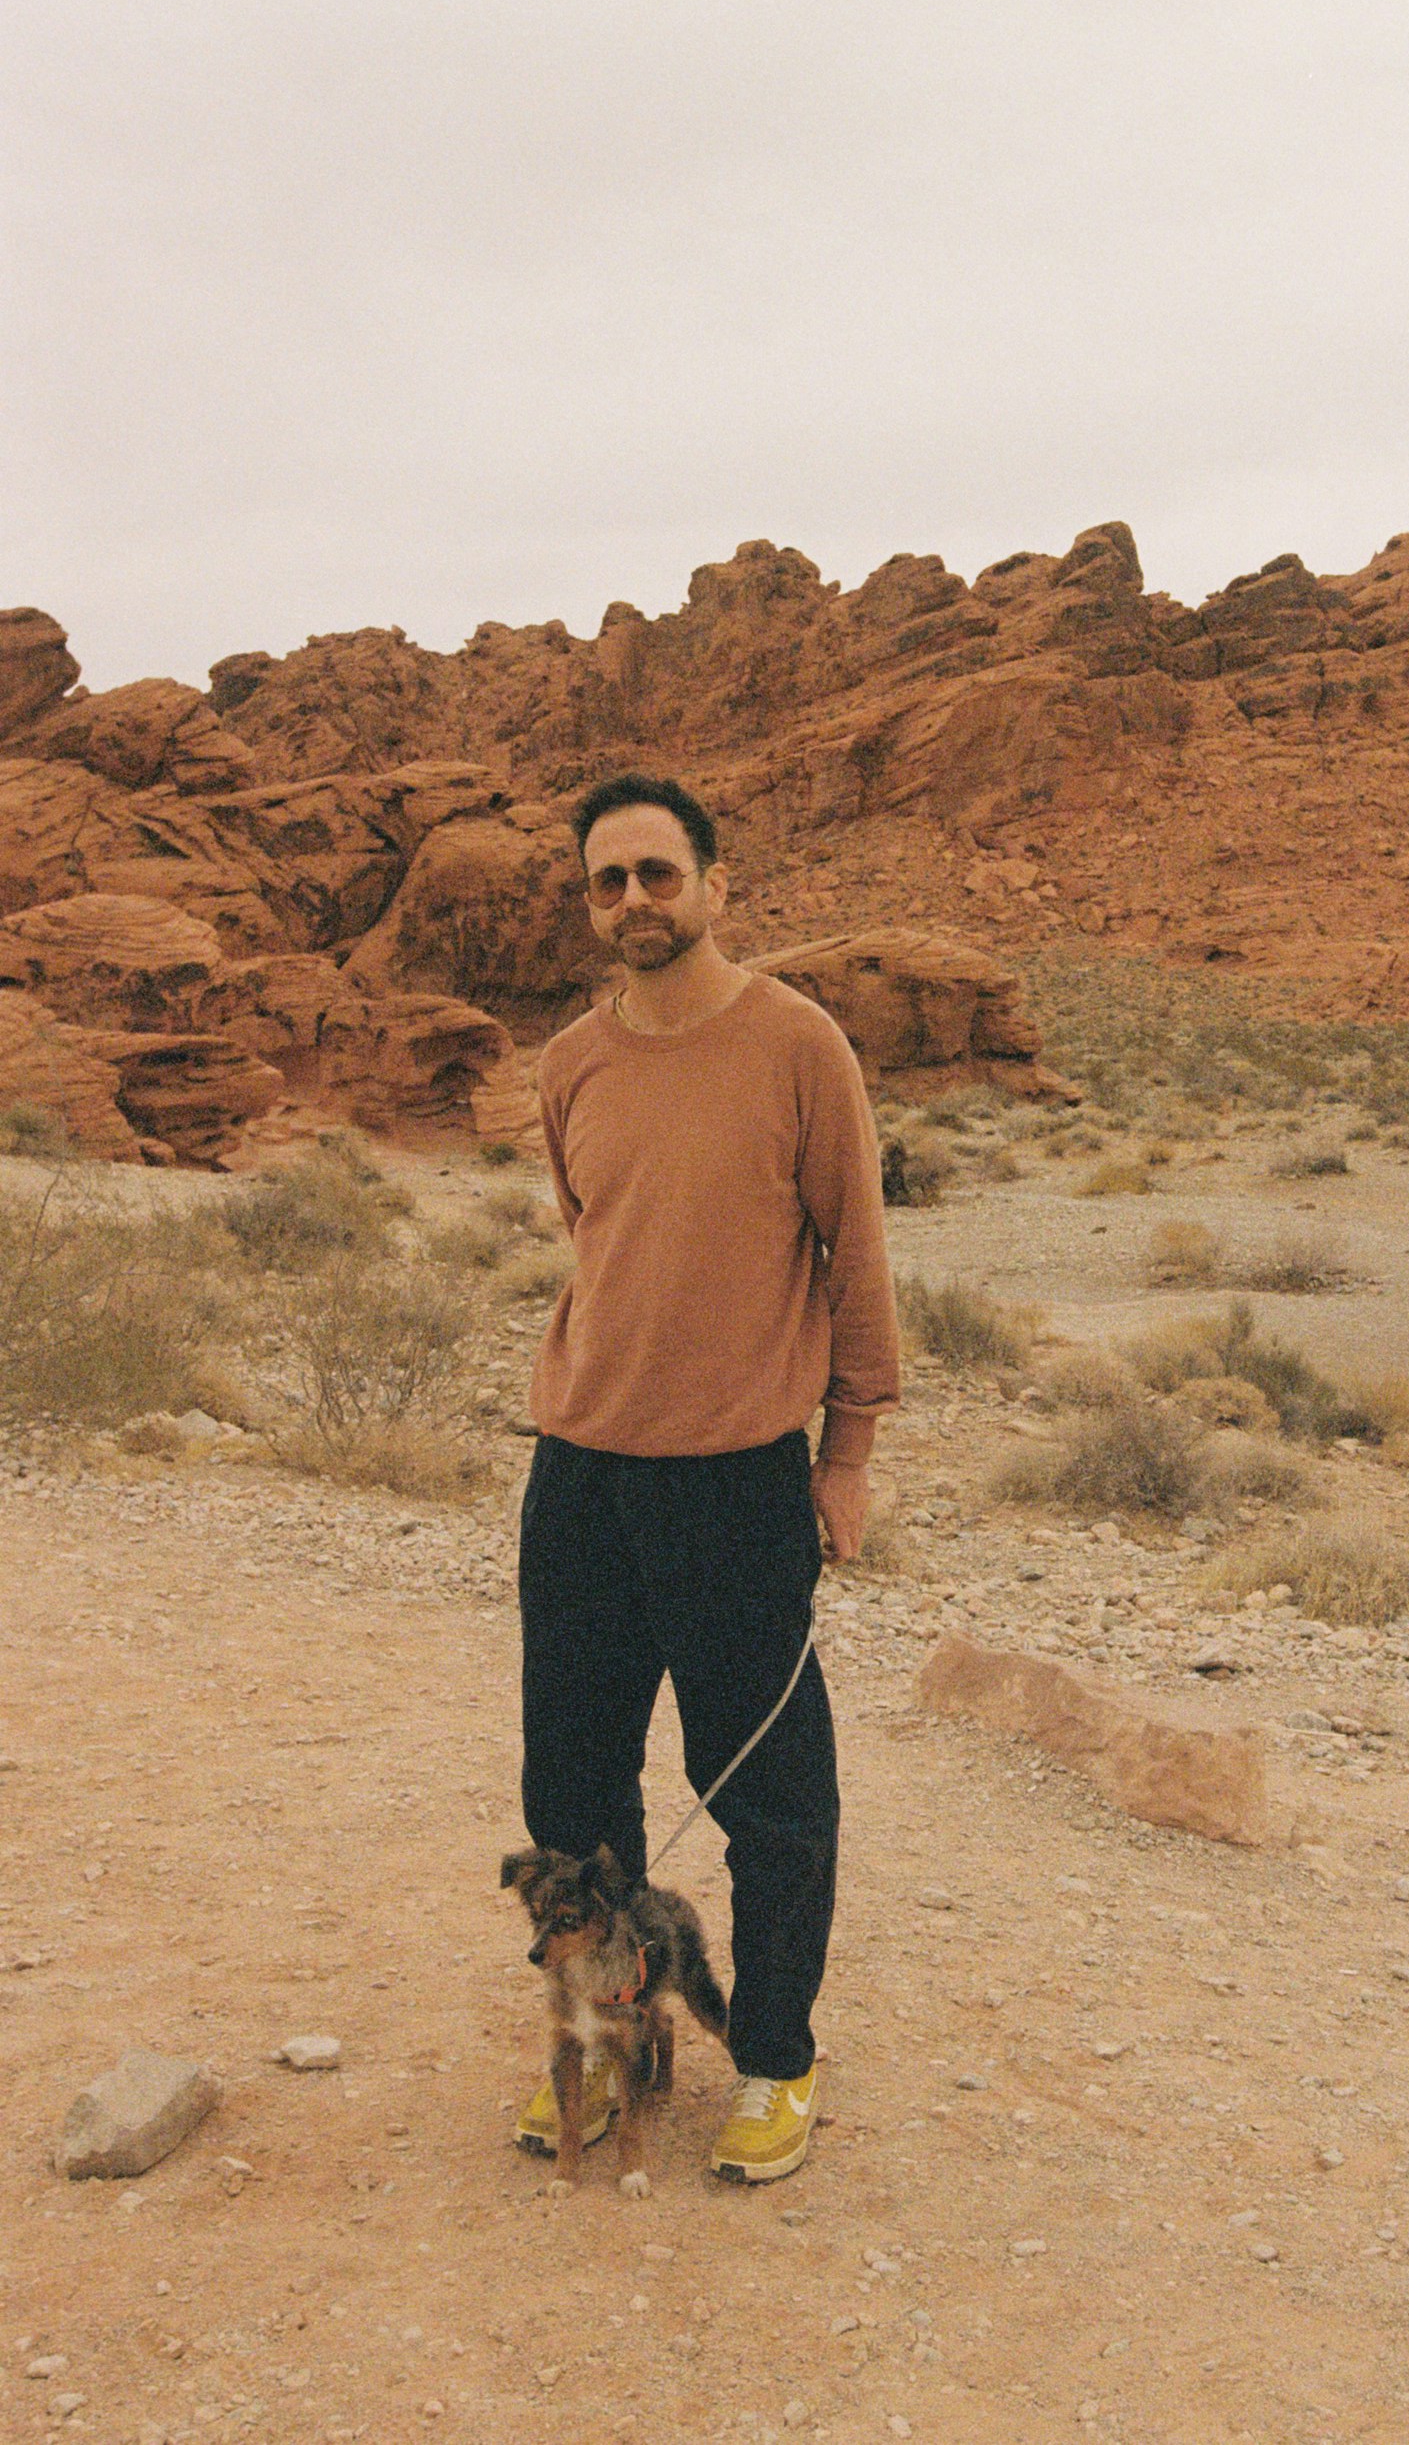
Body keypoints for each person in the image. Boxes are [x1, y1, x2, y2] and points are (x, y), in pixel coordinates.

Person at [513, 769, 899, 2183]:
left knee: (770, 1798)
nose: (632, 901)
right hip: (579, 1476)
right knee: (571, 1794)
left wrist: (846, 1454)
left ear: (714, 884)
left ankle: (778, 2061)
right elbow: (592, 1237)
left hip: (738, 1479)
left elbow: (854, 1259)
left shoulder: (798, 1048)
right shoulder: (568, 1064)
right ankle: (617, 2046)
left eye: (656, 874)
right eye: (608, 879)